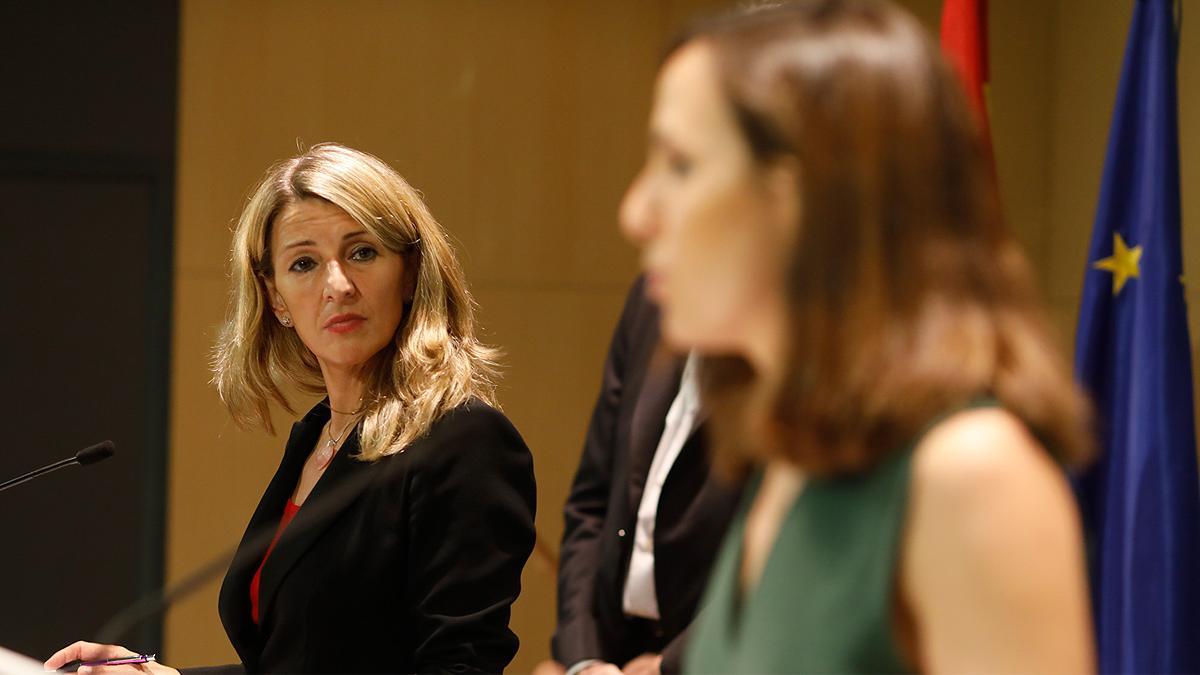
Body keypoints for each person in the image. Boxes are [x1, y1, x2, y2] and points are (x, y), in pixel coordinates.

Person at [618, 1, 1096, 672]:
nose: (636, 212)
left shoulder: (973, 477)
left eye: (680, 165)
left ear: (803, 199)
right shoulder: (791, 450)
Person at [46, 143, 537, 674]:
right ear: (276, 299)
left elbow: (457, 668)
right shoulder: (317, 436)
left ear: (412, 272)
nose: (337, 286)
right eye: (303, 263)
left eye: (362, 253)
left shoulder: (462, 440)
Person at [540, 276, 741, 675]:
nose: (636, 218)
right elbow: (591, 501)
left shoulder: (795, 335)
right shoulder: (652, 296)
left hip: (718, 657)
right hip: (611, 647)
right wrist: (583, 657)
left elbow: (772, 550)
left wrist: (670, 665)